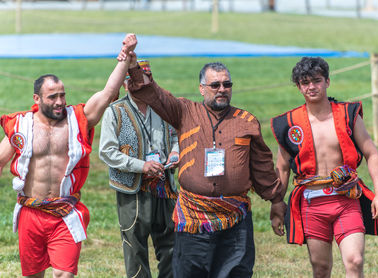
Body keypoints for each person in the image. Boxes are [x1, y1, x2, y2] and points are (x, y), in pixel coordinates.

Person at [117, 37, 286, 278]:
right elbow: (152, 94)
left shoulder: (246, 122)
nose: (222, 89)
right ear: (201, 88)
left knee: (235, 273)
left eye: (227, 84)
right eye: (215, 85)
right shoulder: (185, 111)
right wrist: (133, 66)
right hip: (193, 215)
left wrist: (276, 201)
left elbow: (262, 168)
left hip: (235, 217)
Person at [0, 33, 138, 278]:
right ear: (37, 99)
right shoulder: (21, 126)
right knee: (33, 275)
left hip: (65, 211)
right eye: (52, 96)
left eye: (62, 95)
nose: (59, 102)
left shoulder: (78, 119)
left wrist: (125, 58)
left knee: (64, 274)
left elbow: (107, 94)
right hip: (31, 212)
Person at [270, 57, 378, 277]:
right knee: (321, 268)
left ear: (327, 82)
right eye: (305, 82)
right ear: (298, 86)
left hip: (346, 200)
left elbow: (371, 153)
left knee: (355, 260)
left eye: (316, 80)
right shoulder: (289, 123)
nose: (311, 87)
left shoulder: (348, 115)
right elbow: (283, 169)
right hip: (311, 203)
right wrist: (277, 206)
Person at [98, 60, 179, 278]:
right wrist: (141, 166)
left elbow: (176, 137)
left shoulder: (164, 107)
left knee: (172, 244)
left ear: (151, 80)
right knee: (135, 247)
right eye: (132, 79)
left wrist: (175, 153)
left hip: (165, 186)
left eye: (144, 78)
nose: (138, 83)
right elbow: (107, 152)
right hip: (132, 188)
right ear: (124, 84)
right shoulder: (114, 111)